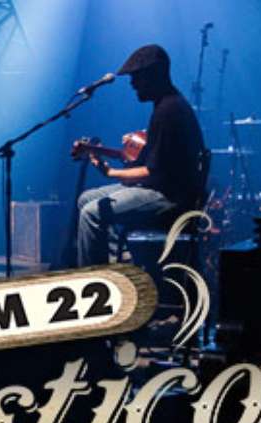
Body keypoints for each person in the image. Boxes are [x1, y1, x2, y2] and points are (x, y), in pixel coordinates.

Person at [76, 45, 206, 267]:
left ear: (153, 75)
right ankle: (117, 262)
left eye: (136, 77)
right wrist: (94, 150)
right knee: (86, 199)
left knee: (91, 213)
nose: (132, 84)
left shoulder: (169, 111)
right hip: (159, 188)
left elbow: (151, 173)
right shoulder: (165, 104)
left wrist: (110, 172)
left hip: (170, 198)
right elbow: (141, 159)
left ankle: (95, 279)